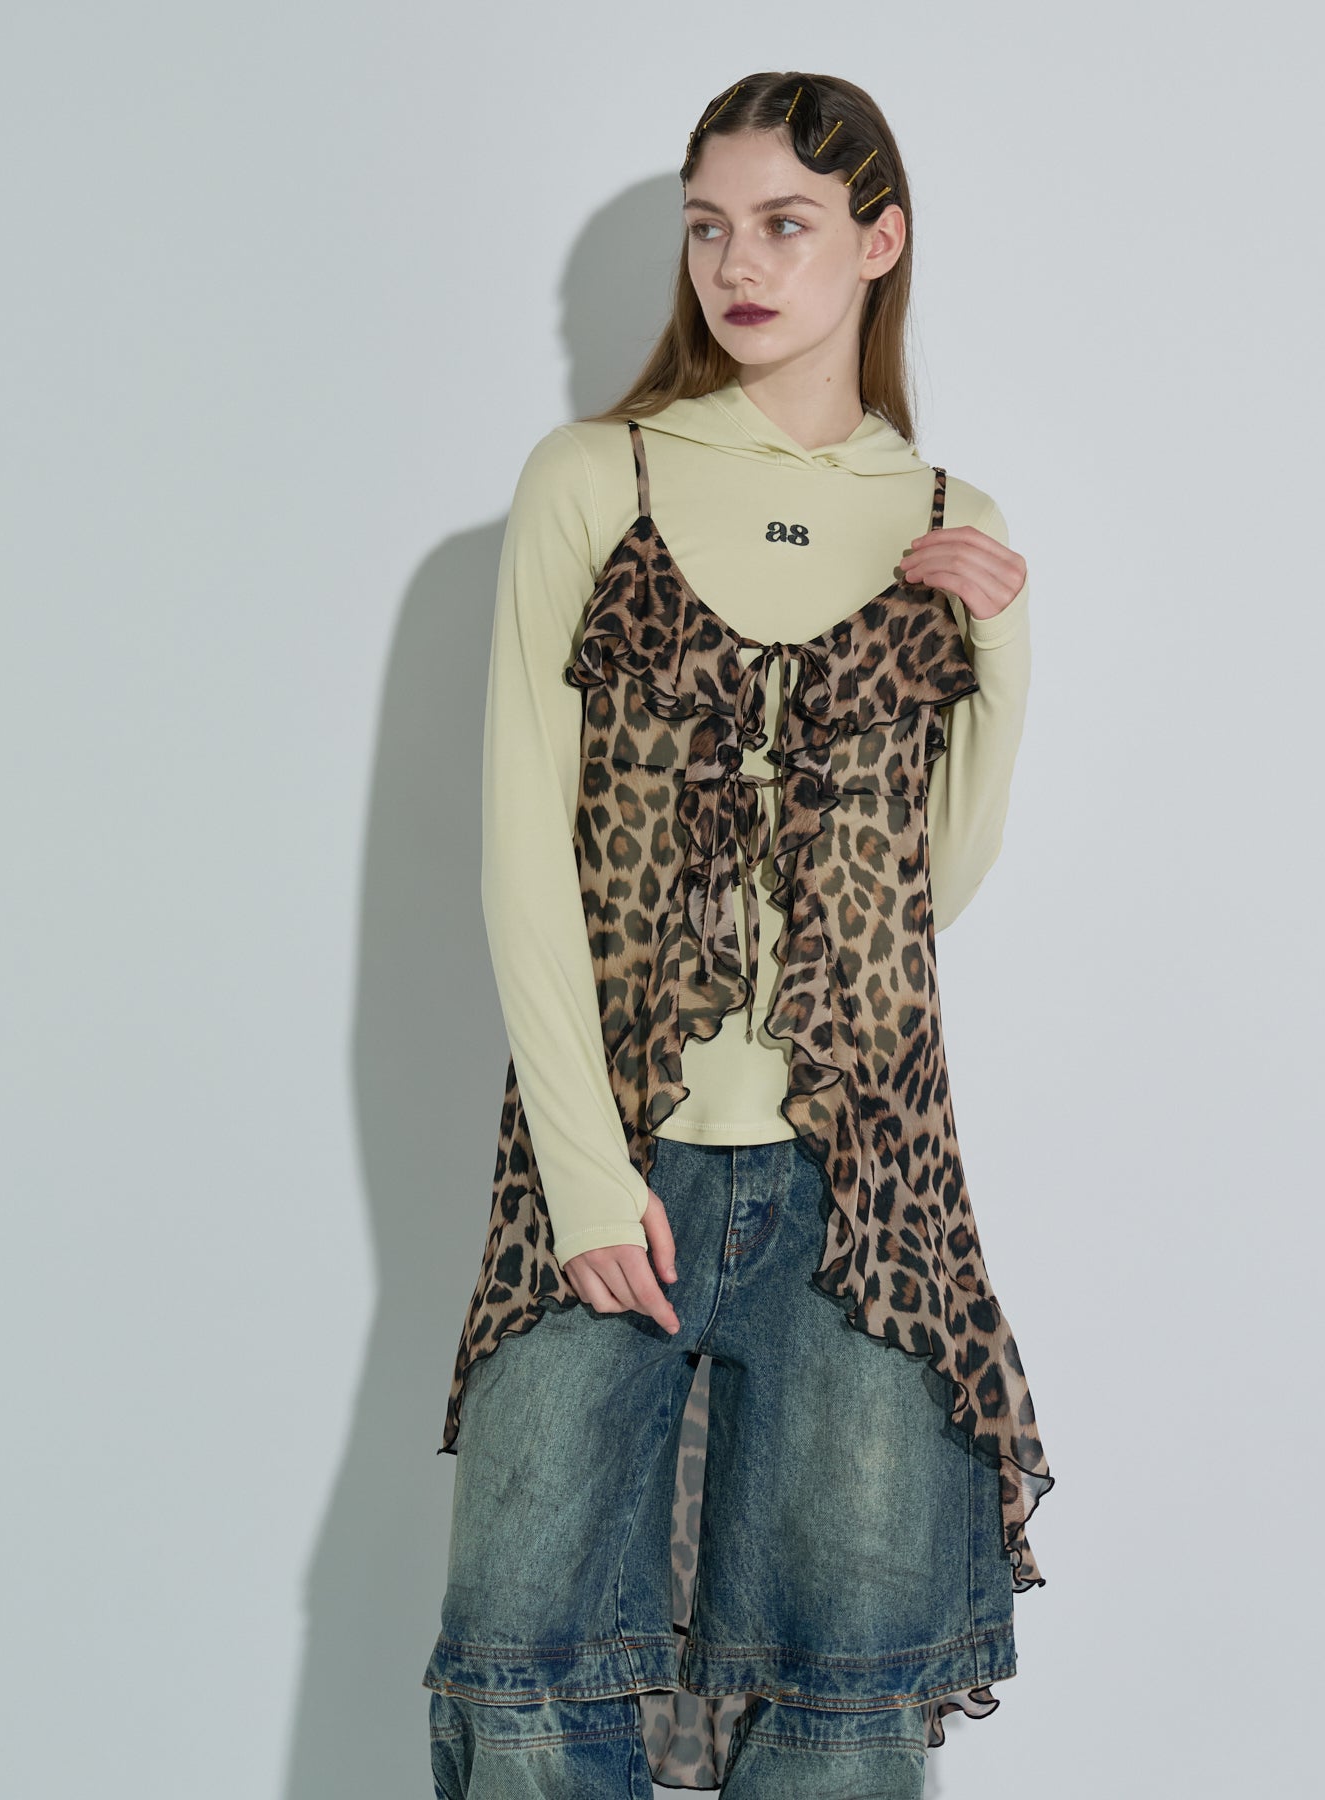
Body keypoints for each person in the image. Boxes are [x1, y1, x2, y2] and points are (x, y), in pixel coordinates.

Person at [423, 69, 1055, 1799]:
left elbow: (919, 900)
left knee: (846, 1708)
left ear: (880, 241)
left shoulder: (950, 518)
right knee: (528, 1680)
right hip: (612, 1160)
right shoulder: (595, 477)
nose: (739, 265)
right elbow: (520, 852)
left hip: (863, 1191)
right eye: (710, 227)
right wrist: (580, 1176)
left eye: (785, 223)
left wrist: (1003, 657)